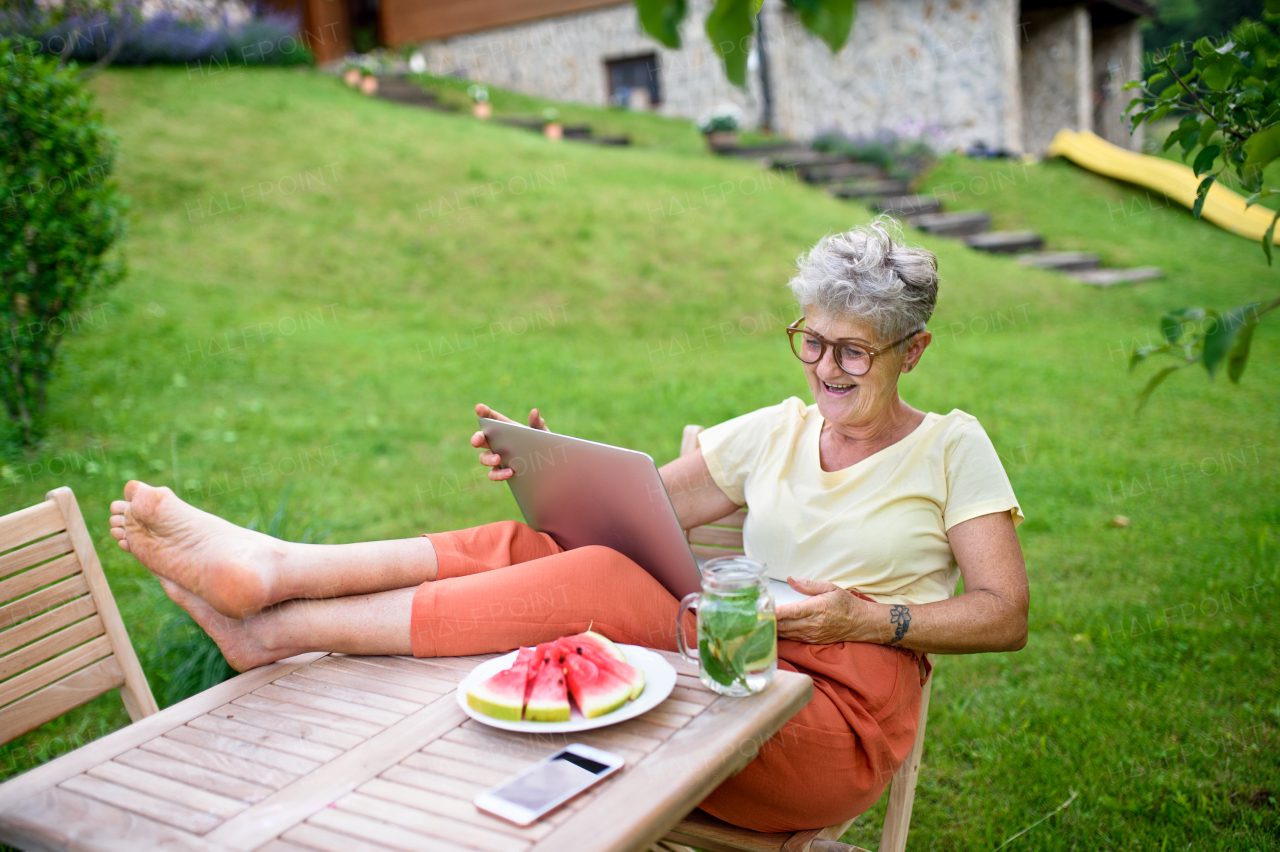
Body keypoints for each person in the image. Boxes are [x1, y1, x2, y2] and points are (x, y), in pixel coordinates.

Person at [110, 217, 1028, 833]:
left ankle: (278, 629)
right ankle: (277, 577)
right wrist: (556, 474)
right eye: (811, 340)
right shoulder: (775, 431)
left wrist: (871, 619)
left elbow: (1003, 613)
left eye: (854, 351)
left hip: (830, 719)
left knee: (600, 582)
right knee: (553, 543)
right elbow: (631, 515)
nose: (825, 368)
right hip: (736, 658)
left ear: (913, 351)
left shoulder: (951, 449)